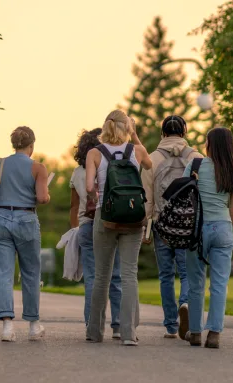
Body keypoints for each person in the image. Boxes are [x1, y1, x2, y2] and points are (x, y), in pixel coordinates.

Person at [0, 126, 50, 342]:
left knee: (4, 274)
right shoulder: (38, 168)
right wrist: (46, 194)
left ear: (13, 144)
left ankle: (7, 327)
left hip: (0, 220)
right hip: (26, 220)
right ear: (31, 146)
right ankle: (34, 325)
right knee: (31, 273)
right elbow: (43, 198)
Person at [85, 110, 152, 346]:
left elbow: (89, 187)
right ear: (128, 127)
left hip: (106, 216)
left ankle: (94, 332)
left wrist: (100, 193)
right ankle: (128, 334)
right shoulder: (137, 151)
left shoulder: (94, 153)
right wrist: (134, 136)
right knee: (129, 274)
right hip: (133, 215)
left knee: (102, 276)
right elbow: (149, 164)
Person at [141, 115, 203, 339]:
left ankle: (170, 326)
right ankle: (185, 303)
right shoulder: (196, 158)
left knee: (166, 275)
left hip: (161, 224)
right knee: (187, 273)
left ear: (163, 133)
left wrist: (145, 229)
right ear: (184, 132)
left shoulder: (152, 159)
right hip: (188, 225)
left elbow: (146, 198)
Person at [182, 127, 233, 349]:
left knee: (195, 283)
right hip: (223, 228)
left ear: (210, 144)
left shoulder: (195, 165)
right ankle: (214, 333)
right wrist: (223, 227)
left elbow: (183, 198)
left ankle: (196, 332)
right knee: (219, 284)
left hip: (196, 231)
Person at [70, 128, 122, 339]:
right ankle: (118, 325)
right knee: (116, 276)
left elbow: (74, 207)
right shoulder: (109, 166)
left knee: (92, 278)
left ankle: (92, 324)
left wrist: (75, 229)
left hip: (85, 226)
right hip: (110, 223)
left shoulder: (77, 173)